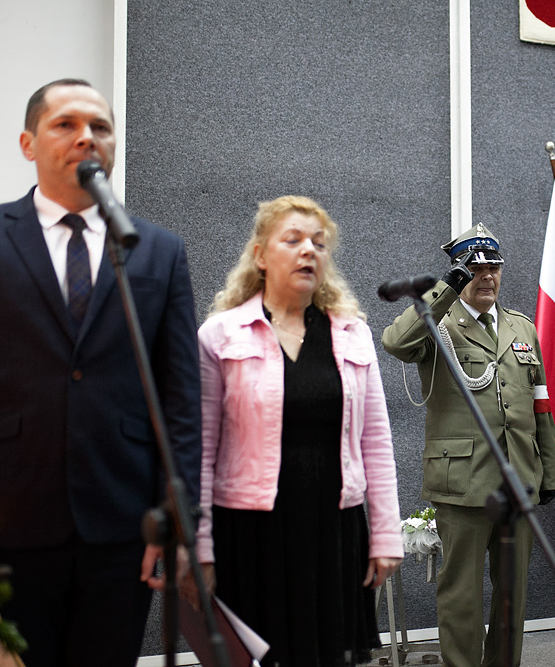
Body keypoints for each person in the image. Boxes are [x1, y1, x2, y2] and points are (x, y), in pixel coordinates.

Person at [0, 79, 201, 666]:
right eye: (65, 124)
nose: (85, 137)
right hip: (6, 517)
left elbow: (181, 399)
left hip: (122, 524)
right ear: (28, 142)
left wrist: (177, 517)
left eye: (100, 127)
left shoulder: (157, 250)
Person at [194, 195, 403, 667]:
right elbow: (199, 450)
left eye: (319, 243)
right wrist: (199, 544)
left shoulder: (352, 334)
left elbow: (376, 441)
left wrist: (386, 535)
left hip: (333, 530)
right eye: (292, 240)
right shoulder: (221, 335)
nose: (308, 250)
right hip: (249, 532)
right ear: (261, 256)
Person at [382, 223, 555, 667]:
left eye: (493, 267)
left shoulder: (521, 327)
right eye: (475, 268)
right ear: (459, 274)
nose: (487, 276)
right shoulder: (438, 321)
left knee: (511, 596)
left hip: (518, 479)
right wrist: (446, 288)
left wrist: (549, 473)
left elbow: (540, 405)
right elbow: (395, 342)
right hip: (463, 482)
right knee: (461, 593)